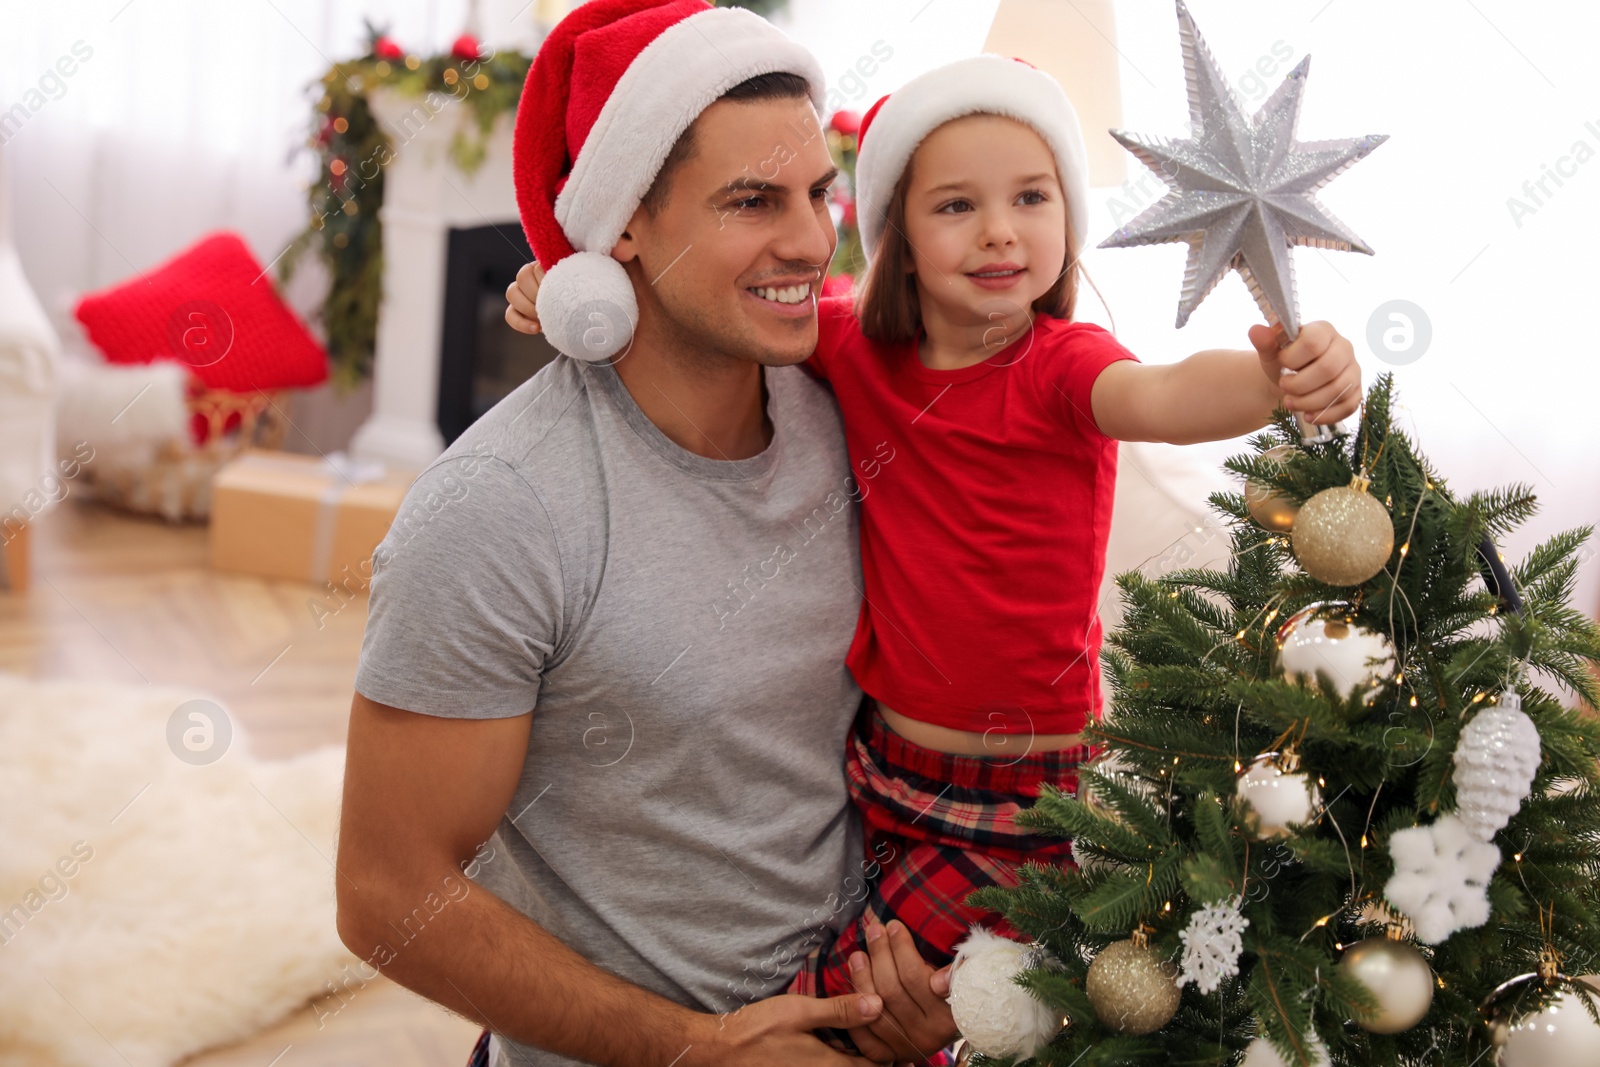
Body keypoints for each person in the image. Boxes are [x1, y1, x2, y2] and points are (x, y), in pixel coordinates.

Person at [504, 51, 1362, 1053]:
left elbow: (1166, 396)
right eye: (956, 206)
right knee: (914, 981)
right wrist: (562, 291)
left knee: (838, 1005)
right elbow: (710, 306)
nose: (1001, 230)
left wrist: (1271, 380)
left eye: (1031, 198)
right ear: (896, 241)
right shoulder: (850, 346)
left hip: (1025, 789)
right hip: (882, 768)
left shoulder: (1060, 367)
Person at [336, 2, 957, 1065]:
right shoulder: (497, 508)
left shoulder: (855, 419)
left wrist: (931, 971)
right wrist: (694, 1046)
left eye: (819, 192)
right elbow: (387, 893)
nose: (812, 241)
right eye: (752, 200)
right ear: (623, 220)